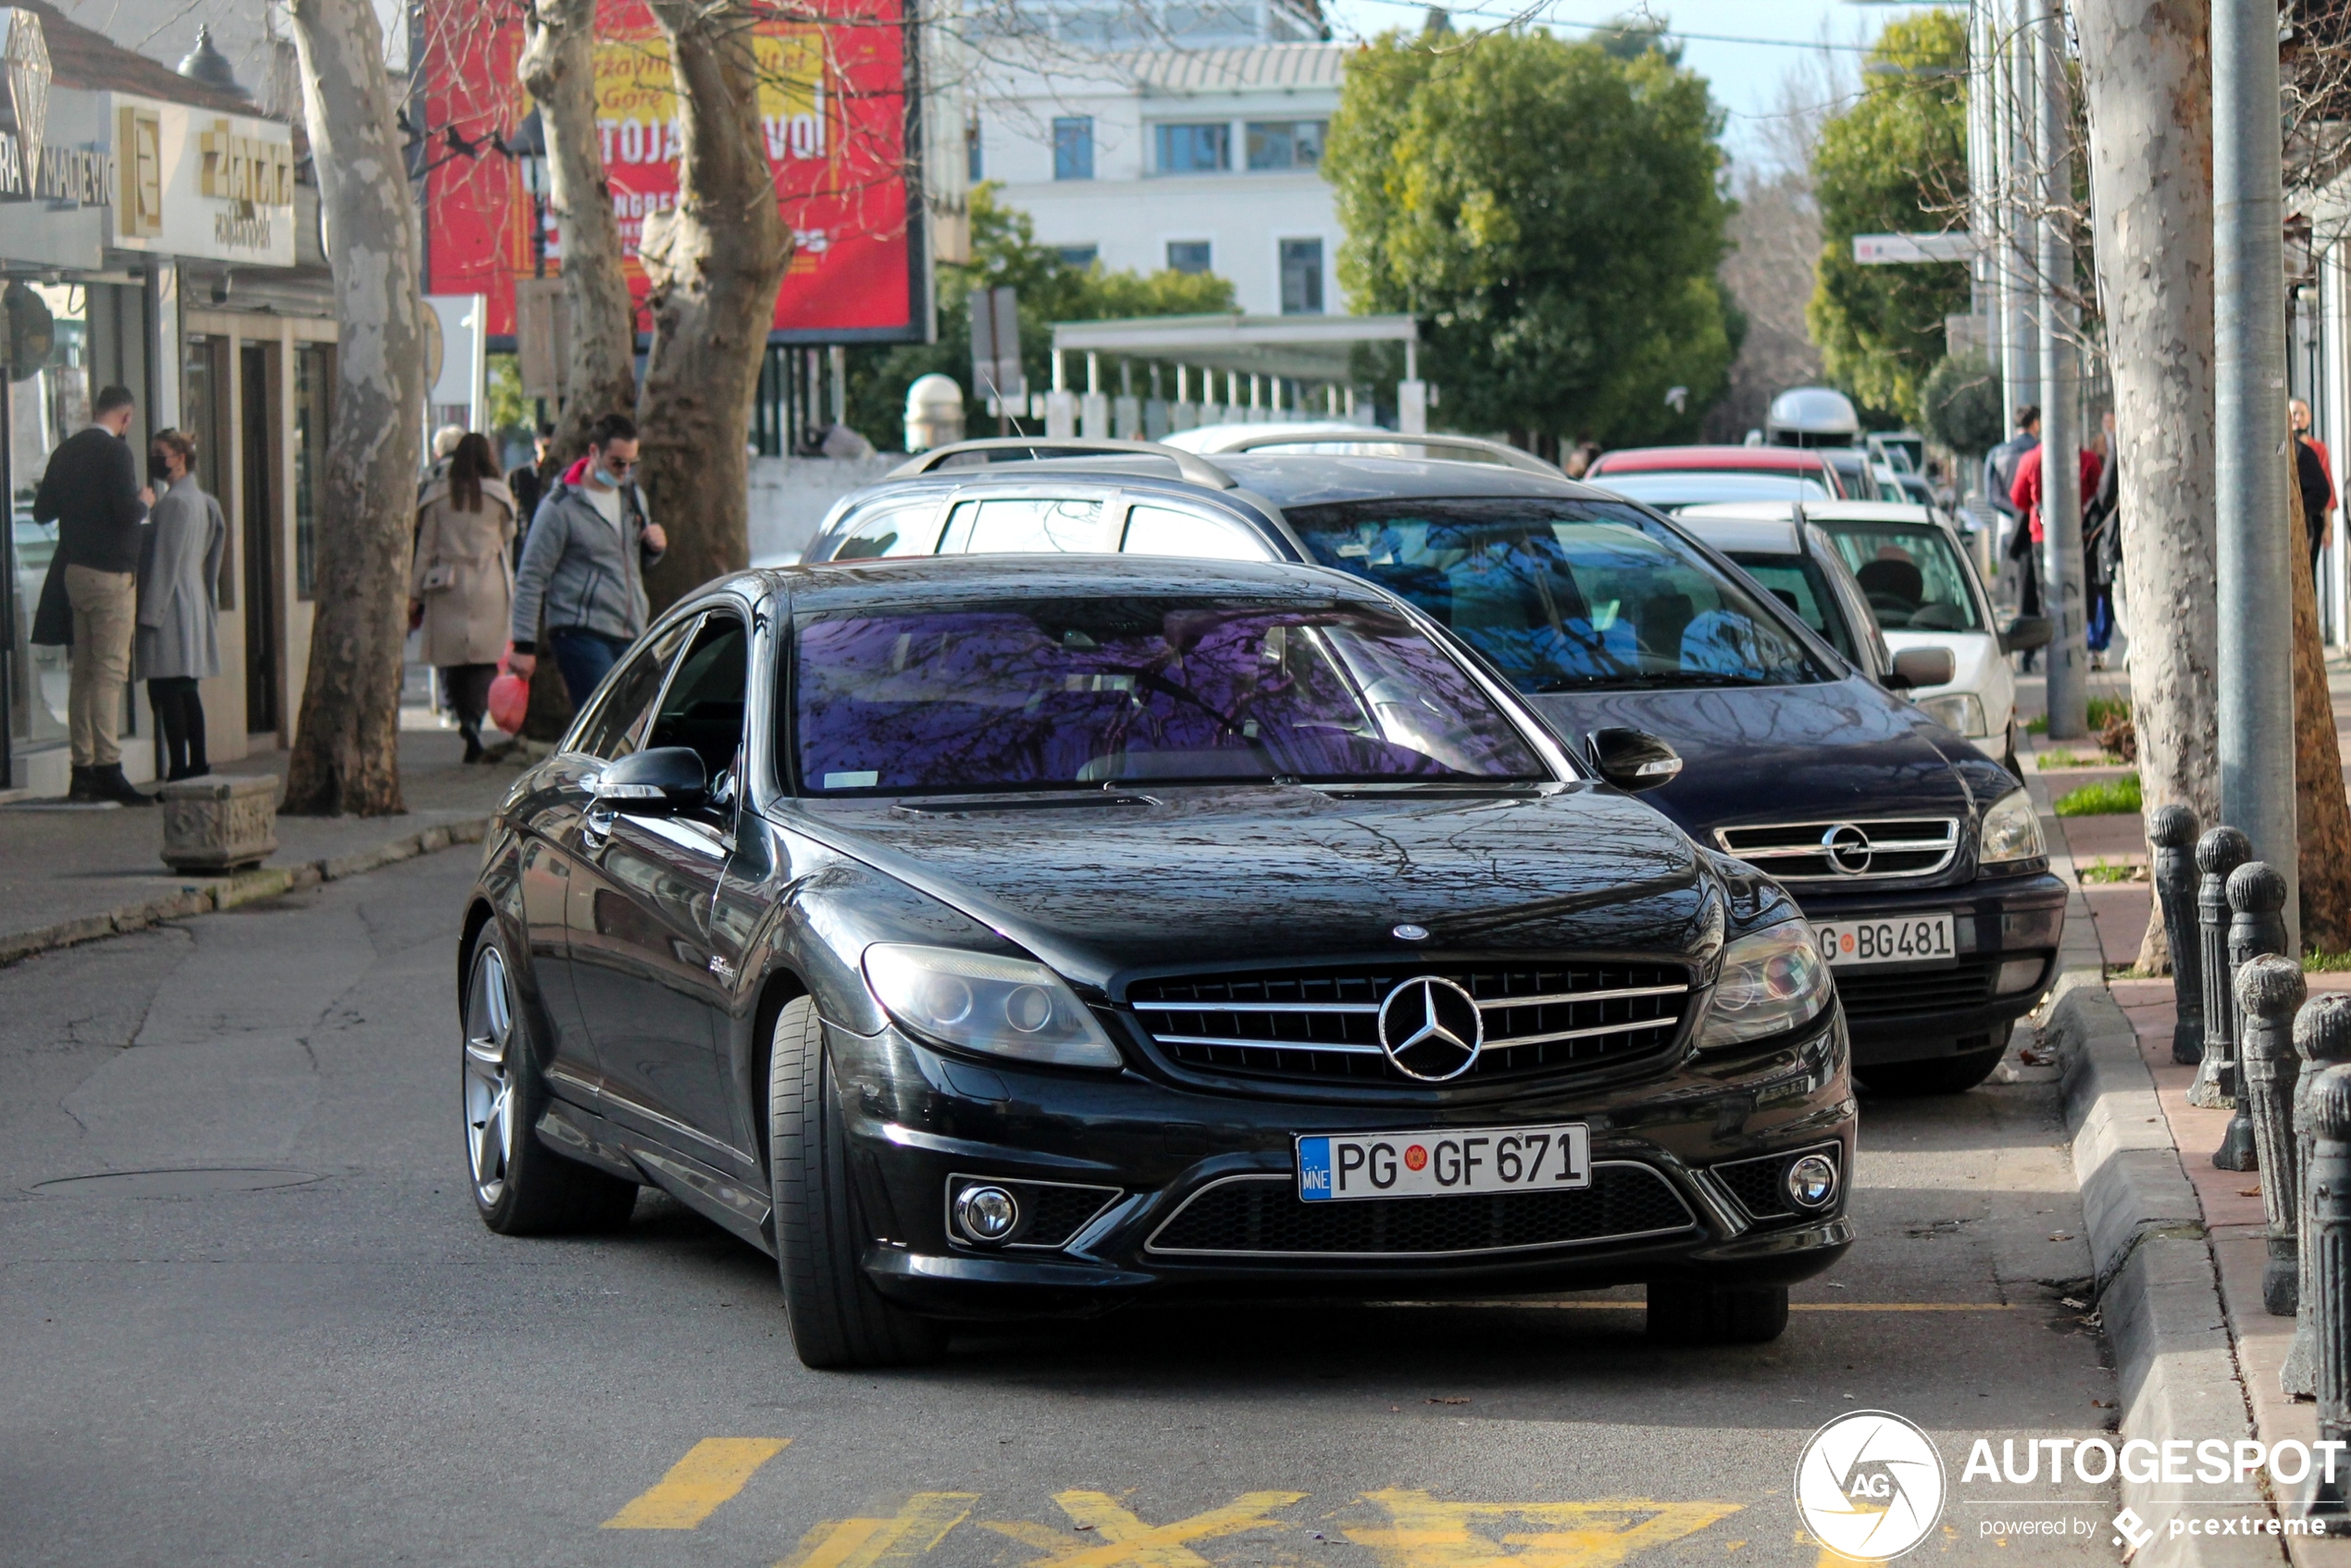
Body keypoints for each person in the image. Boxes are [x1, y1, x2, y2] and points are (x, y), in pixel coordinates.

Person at [31, 384, 155, 804]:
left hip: (75, 571)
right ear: (125, 418)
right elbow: (125, 512)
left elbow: (42, 511)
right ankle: (108, 767)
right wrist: (144, 500)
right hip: (111, 573)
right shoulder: (117, 453)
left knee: (82, 671)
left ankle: (80, 769)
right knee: (109, 673)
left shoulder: (66, 451)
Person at [508, 413, 667, 706]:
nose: (625, 471)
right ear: (594, 452)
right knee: (604, 716)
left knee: (642, 719)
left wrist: (654, 548)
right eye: (617, 463)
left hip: (630, 629)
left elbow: (633, 564)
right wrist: (523, 645)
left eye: (632, 463)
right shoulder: (560, 507)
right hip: (580, 631)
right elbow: (531, 576)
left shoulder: (632, 496)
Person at [413, 432, 518, 763]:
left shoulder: (438, 497)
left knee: (451, 659)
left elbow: (425, 547)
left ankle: (462, 716)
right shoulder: (500, 496)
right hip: (489, 582)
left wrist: (413, 594)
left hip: (447, 583)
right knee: (486, 657)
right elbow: (509, 537)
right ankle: (475, 718)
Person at [134, 428, 227, 781]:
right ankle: (196, 764)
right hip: (192, 599)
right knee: (185, 687)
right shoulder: (203, 501)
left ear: (181, 458)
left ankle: (181, 770)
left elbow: (164, 562)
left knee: (167, 687)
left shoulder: (175, 503)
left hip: (171, 603)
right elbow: (213, 558)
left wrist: (148, 615)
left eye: (162, 452)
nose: (156, 459)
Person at [2009, 417, 2105, 667]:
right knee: (2082, 591)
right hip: (2081, 537)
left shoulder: (2031, 459)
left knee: (2048, 594)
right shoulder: (2087, 460)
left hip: (2043, 537)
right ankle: (2083, 647)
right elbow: (2098, 494)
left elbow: (2019, 499)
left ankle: (2053, 651)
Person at [1988, 408, 2042, 665]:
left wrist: (2014, 512)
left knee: (2018, 588)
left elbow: (1993, 496)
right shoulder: (2041, 451)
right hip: (2040, 525)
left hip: (2009, 526)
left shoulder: (1998, 453)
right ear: (2036, 423)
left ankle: (2024, 649)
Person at [2081, 412, 2121, 669]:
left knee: (2107, 592)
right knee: (2106, 592)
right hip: (2103, 535)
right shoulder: (2093, 459)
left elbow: (2105, 493)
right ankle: (2097, 642)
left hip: (2102, 535)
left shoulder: (2096, 459)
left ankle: (2096, 642)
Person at [2293, 398, 2334, 580]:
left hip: (2311, 516)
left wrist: (2328, 525)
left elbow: (2325, 486)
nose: (2297, 418)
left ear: (2309, 418)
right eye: (2294, 413)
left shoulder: (2316, 449)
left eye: (2302, 413)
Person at [505, 421, 553, 550]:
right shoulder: (519, 476)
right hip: (525, 542)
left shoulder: (562, 476)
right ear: (537, 444)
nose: (548, 453)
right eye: (545, 447)